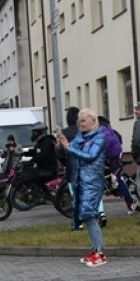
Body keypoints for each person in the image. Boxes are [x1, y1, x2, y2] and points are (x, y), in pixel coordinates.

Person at [57, 108, 108, 266]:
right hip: (81, 180)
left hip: (92, 181)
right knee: (85, 216)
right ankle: (95, 250)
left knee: (90, 216)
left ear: (93, 121)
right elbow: (70, 151)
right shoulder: (81, 137)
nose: (80, 123)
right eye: (79, 120)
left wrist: (69, 148)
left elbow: (90, 156)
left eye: (84, 120)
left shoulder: (99, 137)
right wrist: (61, 145)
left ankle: (99, 253)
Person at [98, 115, 136, 214]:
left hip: (114, 158)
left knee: (118, 180)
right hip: (111, 156)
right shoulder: (107, 129)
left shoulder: (104, 130)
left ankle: (131, 203)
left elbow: (105, 143)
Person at [17, 121, 59, 192]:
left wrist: (31, 161)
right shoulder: (40, 142)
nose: (33, 134)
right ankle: (39, 191)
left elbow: (43, 154)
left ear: (41, 132)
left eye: (35, 132)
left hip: (49, 170)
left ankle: (38, 195)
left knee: (28, 175)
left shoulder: (47, 141)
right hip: (42, 168)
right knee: (25, 171)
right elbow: (35, 151)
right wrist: (23, 153)